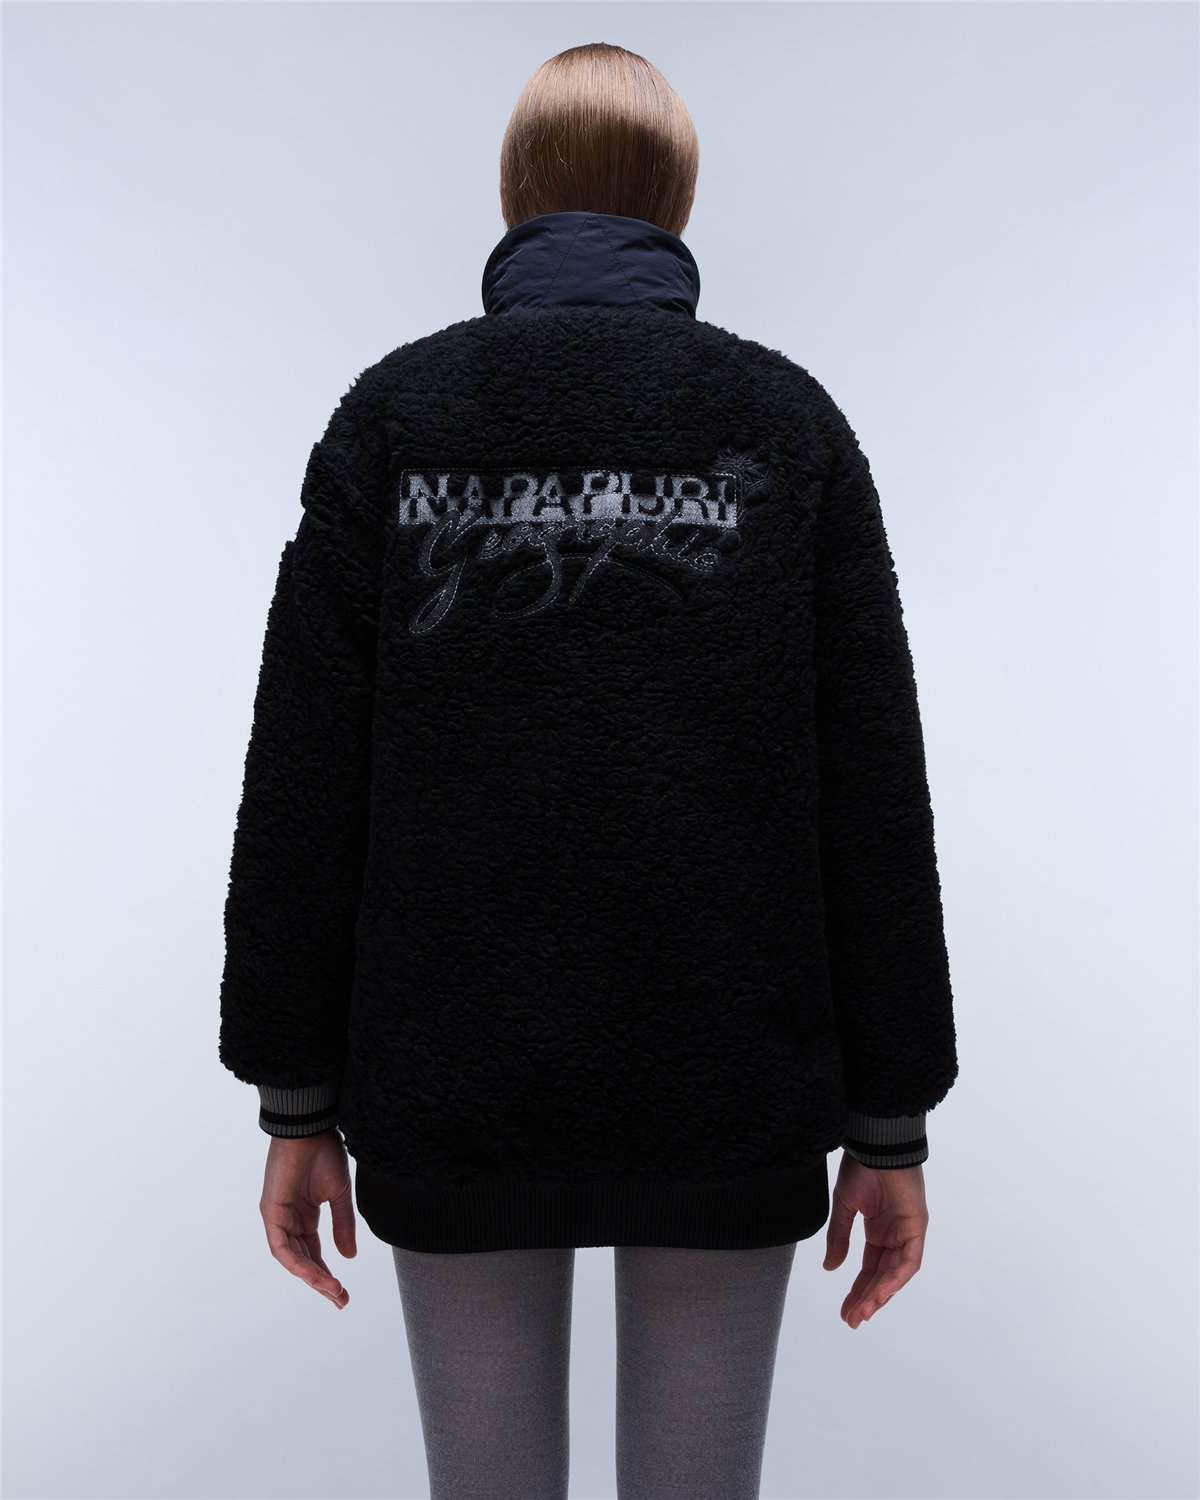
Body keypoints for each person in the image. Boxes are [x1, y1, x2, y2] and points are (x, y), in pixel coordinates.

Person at [219, 41, 959, 1500]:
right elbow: (873, 793)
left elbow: (304, 780)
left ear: (515, 193)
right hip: (726, 1075)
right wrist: (890, 1119)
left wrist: (297, 1099)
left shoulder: (400, 417)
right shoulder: (786, 424)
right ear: (676, 197)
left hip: (454, 1074)